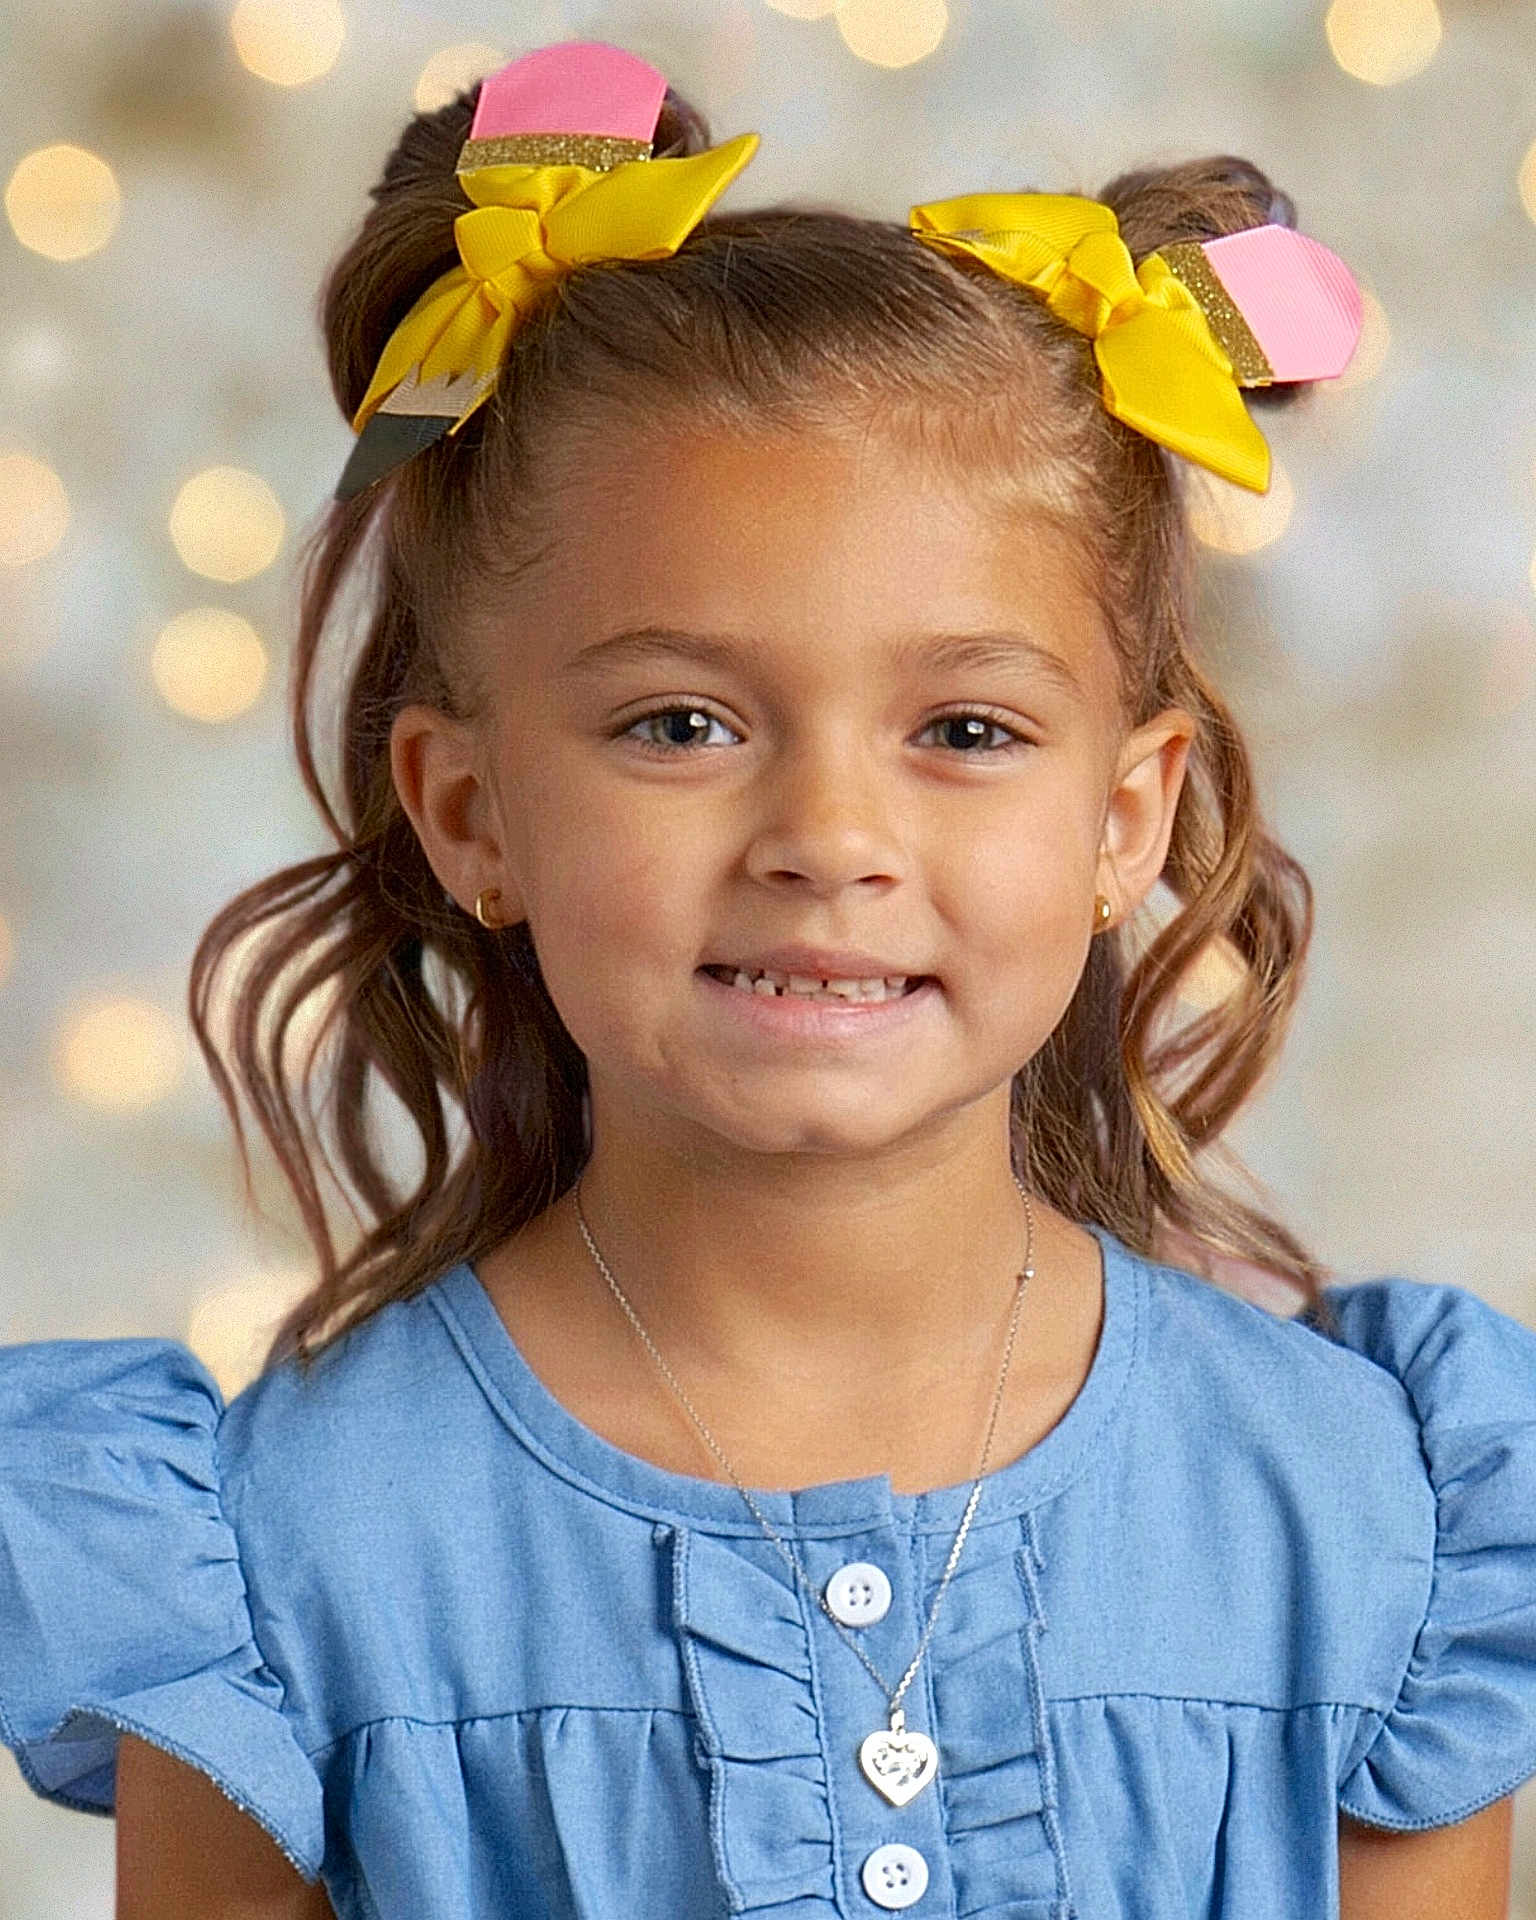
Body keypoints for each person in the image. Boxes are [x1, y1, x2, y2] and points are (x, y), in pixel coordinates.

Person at [2, 35, 1533, 1920]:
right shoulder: (272, 1565)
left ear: (1127, 819)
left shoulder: (1369, 1519)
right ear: (470, 811)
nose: (828, 835)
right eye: (683, 723)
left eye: (965, 730)